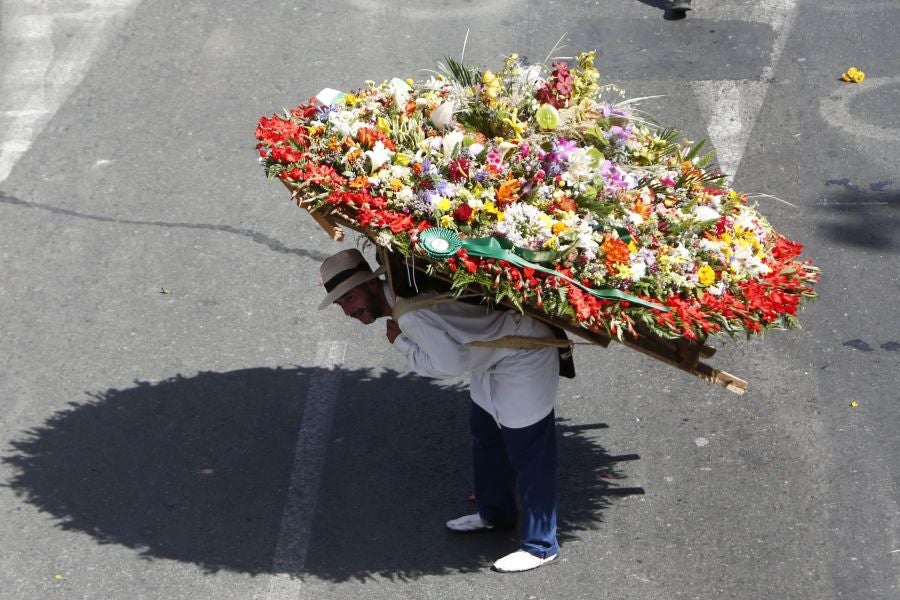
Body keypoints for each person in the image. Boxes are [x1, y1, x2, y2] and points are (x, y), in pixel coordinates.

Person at [318, 248, 562, 573]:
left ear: (372, 285)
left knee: (529, 450)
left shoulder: (408, 317)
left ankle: (542, 545)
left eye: (349, 298)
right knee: (486, 433)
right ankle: (495, 514)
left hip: (522, 354)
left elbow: (449, 365)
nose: (348, 310)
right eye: (341, 303)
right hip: (493, 354)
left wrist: (401, 343)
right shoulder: (399, 294)